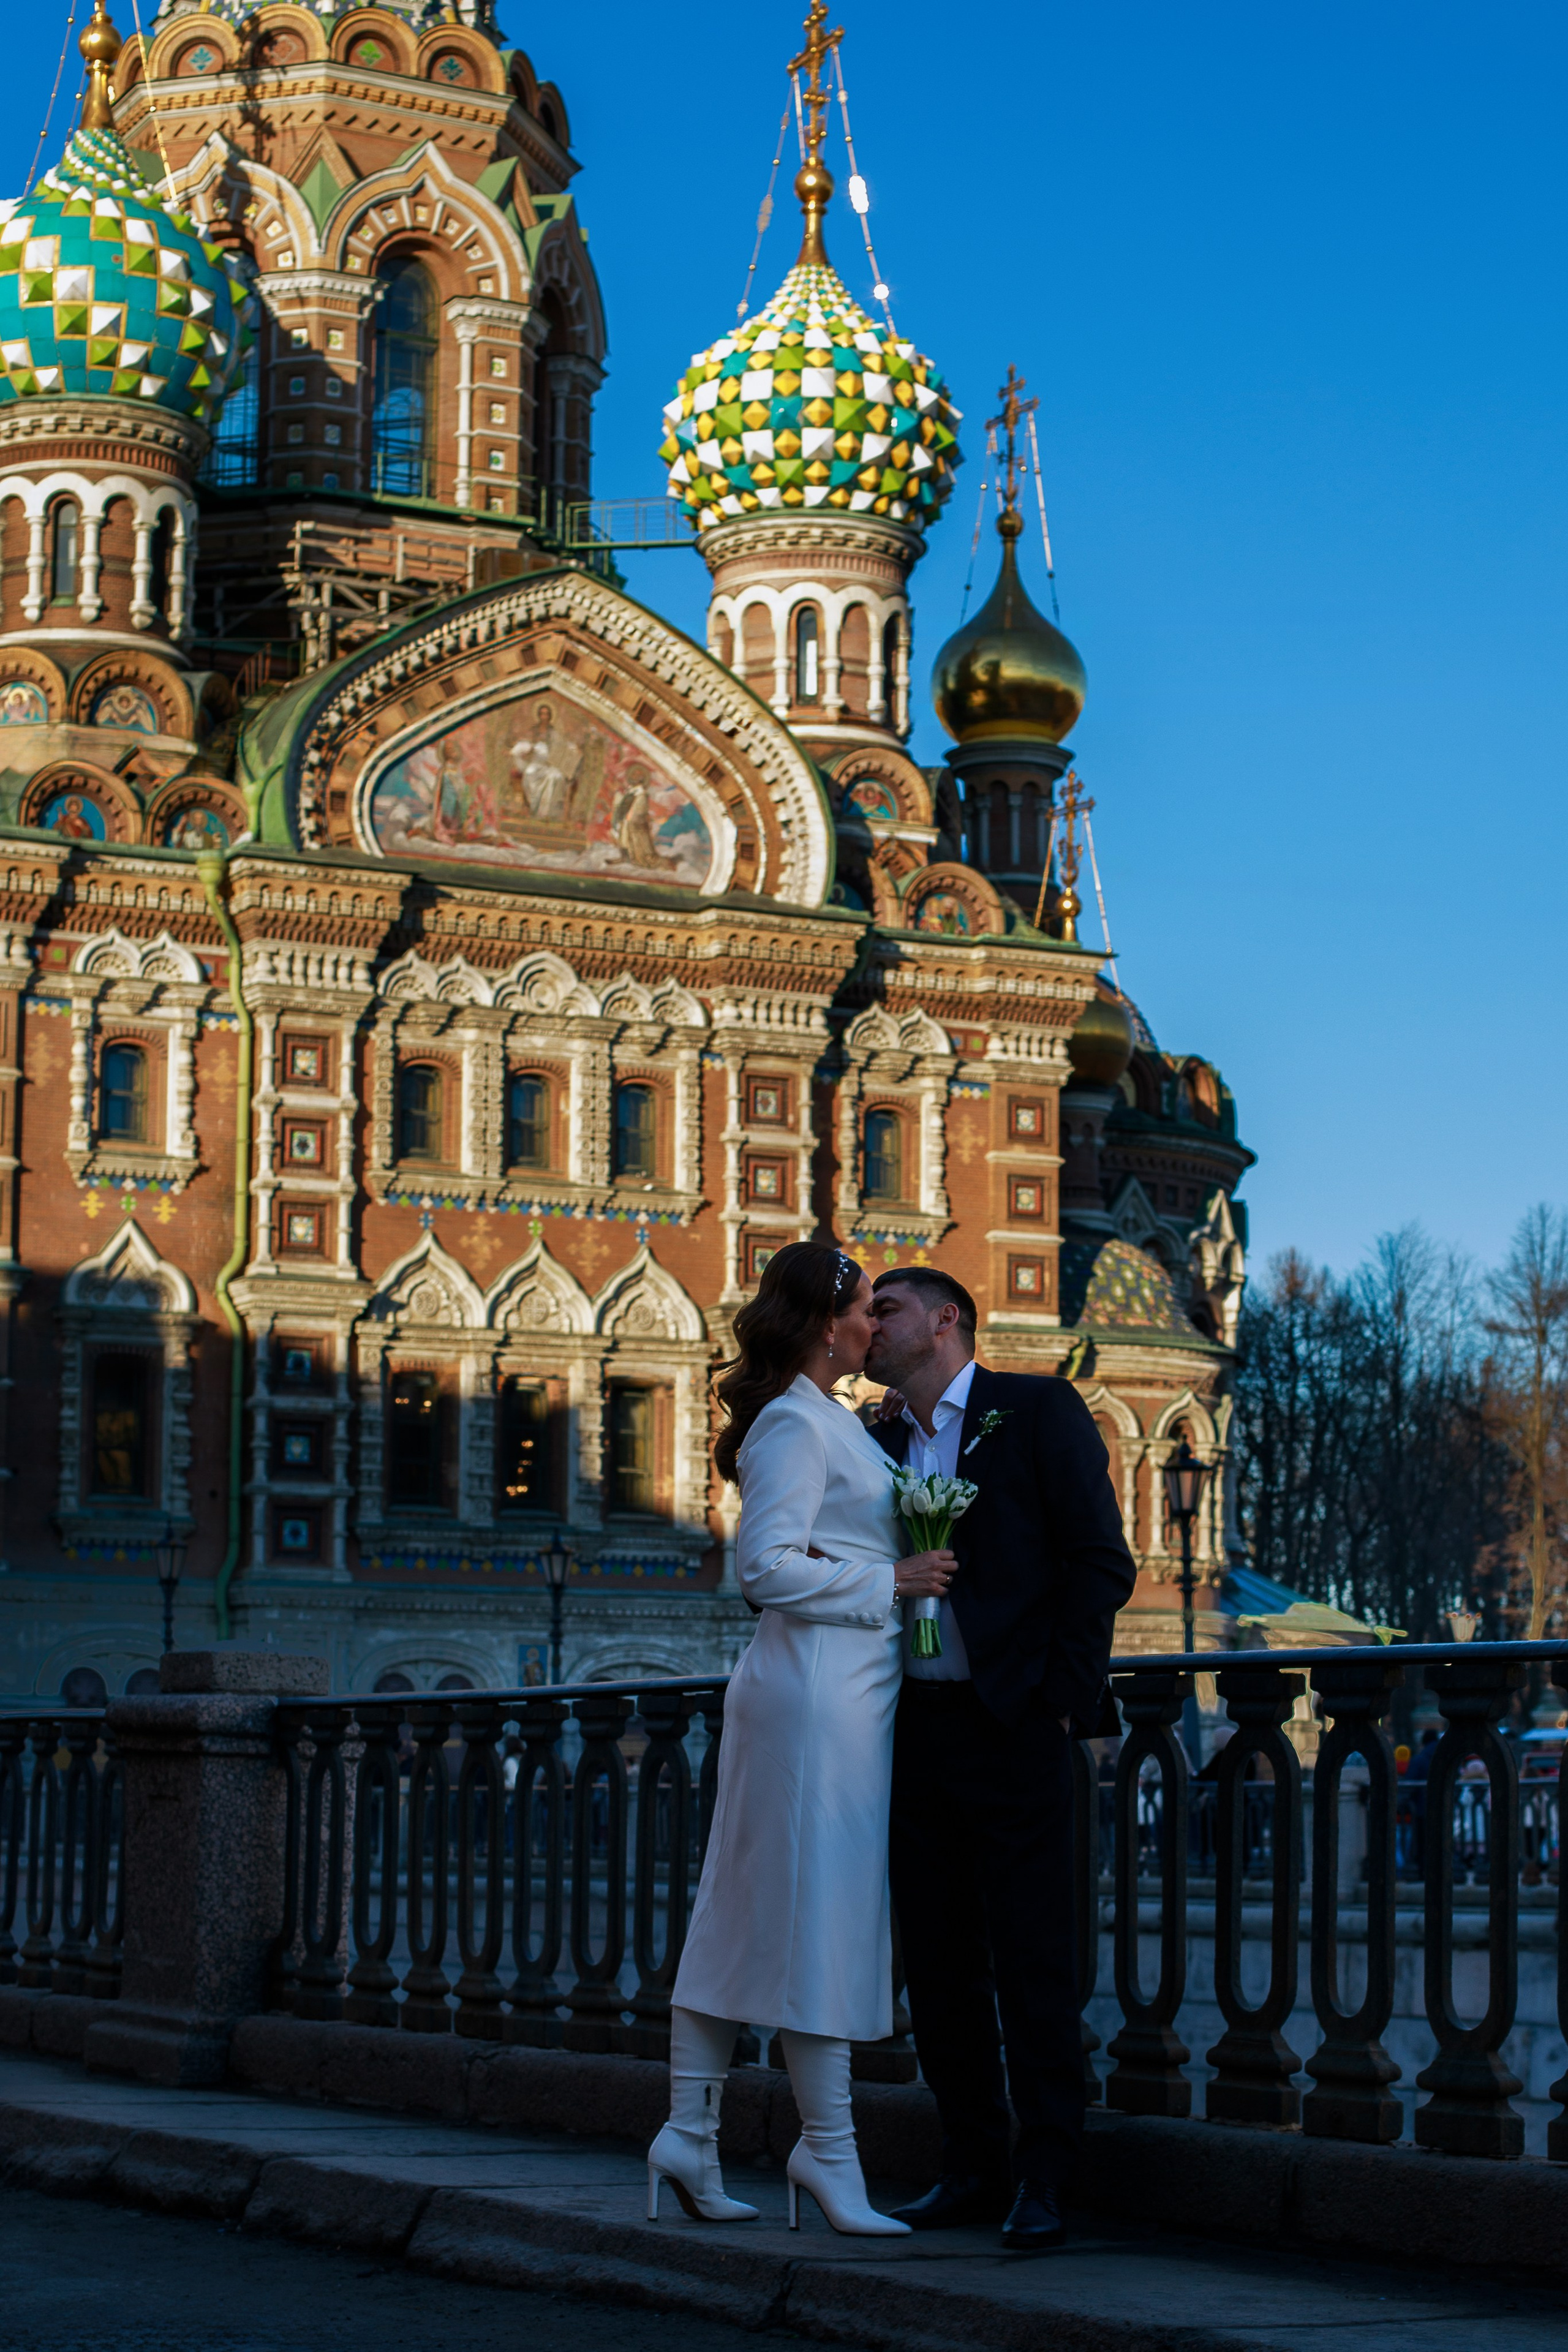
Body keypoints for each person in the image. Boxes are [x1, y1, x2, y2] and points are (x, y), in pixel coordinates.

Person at [646, 1241, 956, 2235]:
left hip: (838, 1693)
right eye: (868, 1308)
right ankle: (827, 2154)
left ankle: (690, 2136)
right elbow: (764, 1569)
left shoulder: (826, 1420)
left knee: (749, 1910)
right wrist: (891, 1584)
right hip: (818, 1697)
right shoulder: (792, 1422)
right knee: (819, 1920)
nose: (878, 1323)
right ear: (829, 1326)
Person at [864, 1265, 1136, 2255]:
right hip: (911, 1731)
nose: (867, 1323)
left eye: (883, 1308)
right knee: (936, 1961)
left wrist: (1059, 1702)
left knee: (1033, 1958)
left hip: (1015, 1726)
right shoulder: (872, 1438)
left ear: (946, 1321)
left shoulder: (1035, 1408)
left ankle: (1047, 2175)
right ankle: (970, 2164)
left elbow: (1101, 1561)